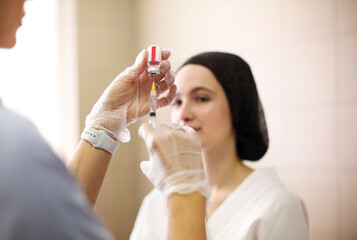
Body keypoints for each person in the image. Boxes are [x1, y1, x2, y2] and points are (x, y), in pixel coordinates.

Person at [0, 0, 210, 239]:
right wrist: (187, 192)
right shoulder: (13, 142)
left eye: (203, 98)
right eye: (179, 101)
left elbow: (60, 215)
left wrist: (103, 126)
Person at [130, 52, 310, 240]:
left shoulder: (279, 206)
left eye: (201, 98)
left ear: (236, 107)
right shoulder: (157, 199)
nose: (183, 114)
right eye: (177, 102)